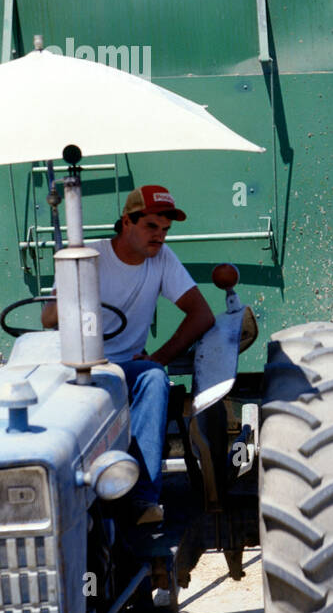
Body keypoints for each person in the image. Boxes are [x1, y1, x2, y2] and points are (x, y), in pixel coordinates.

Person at [45, 185, 214, 525]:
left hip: (125, 368)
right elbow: (48, 318)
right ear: (127, 222)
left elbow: (202, 314)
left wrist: (159, 358)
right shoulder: (87, 256)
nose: (160, 237)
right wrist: (77, 299)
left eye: (165, 230)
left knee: (153, 378)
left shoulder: (162, 258)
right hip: (77, 364)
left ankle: (143, 500)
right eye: (152, 226)